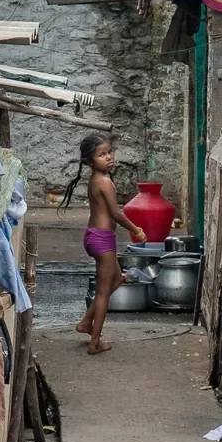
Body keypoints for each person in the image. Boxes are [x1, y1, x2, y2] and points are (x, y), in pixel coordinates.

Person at [75, 135, 142, 355]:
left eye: (110, 152)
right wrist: (136, 229)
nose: (108, 157)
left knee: (116, 279)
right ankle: (95, 342)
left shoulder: (98, 178)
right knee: (103, 291)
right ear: (90, 161)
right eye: (102, 155)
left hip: (96, 236)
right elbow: (115, 213)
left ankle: (86, 321)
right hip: (102, 239)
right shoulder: (103, 182)